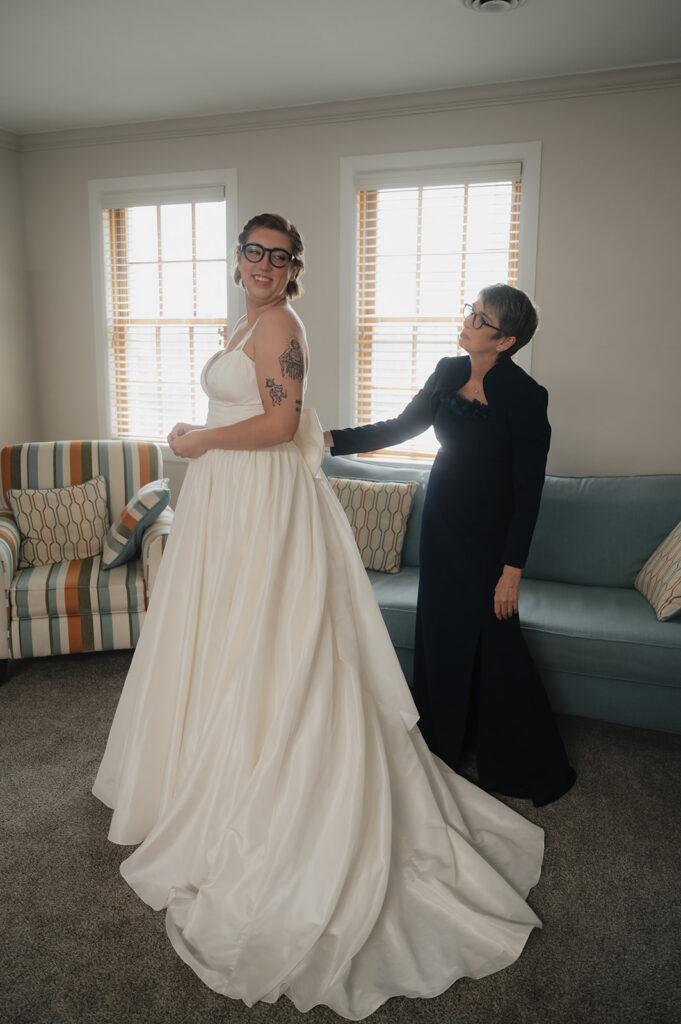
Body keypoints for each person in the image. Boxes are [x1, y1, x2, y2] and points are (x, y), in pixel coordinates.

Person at [93, 220, 544, 1020]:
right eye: (253, 251)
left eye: (279, 256)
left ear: (293, 270)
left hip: (272, 497)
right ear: (238, 258)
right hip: (240, 501)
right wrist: (326, 438)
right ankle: (204, 767)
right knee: (220, 641)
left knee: (274, 646)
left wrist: (198, 440)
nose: (264, 265)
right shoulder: (256, 324)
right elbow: (388, 425)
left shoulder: (282, 326)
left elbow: (274, 423)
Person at [325, 284, 576, 807]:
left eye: (480, 319)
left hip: (489, 537)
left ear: (505, 341)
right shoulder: (446, 371)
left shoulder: (528, 397)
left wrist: (512, 571)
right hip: (441, 522)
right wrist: (327, 439)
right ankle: (444, 739)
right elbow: (403, 426)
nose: (468, 322)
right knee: (440, 628)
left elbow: (529, 492)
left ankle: (514, 754)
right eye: (471, 311)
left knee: (496, 635)